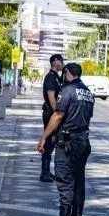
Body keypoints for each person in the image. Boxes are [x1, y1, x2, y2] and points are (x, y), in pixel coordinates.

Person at [37, 63, 95, 216]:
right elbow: (88, 119)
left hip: (68, 143)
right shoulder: (88, 93)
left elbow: (58, 115)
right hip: (83, 141)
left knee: (65, 182)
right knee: (78, 182)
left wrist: (44, 137)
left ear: (67, 73)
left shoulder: (68, 90)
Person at [40, 54, 64, 183]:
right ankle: (44, 172)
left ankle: (47, 171)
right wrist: (57, 112)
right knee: (49, 141)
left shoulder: (57, 77)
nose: (62, 64)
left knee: (52, 142)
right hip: (50, 113)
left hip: (52, 113)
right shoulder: (50, 77)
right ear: (55, 62)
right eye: (61, 61)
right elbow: (51, 96)